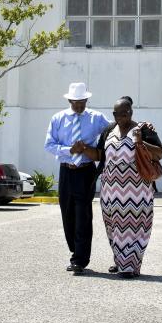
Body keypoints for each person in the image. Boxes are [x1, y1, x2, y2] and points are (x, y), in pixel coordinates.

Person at [77, 97, 162, 278]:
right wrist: (84, 148)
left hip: (138, 191)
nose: (120, 117)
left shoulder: (143, 129)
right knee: (114, 227)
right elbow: (100, 155)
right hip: (110, 191)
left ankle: (130, 267)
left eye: (124, 113)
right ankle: (120, 261)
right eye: (117, 114)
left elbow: (159, 153)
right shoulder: (109, 130)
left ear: (131, 112)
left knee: (137, 227)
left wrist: (141, 142)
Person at [44, 82, 111, 275]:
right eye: (76, 103)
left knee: (83, 214)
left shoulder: (96, 118)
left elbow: (113, 131)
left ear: (86, 100)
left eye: (83, 102)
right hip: (66, 170)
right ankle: (75, 250)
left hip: (85, 171)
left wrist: (95, 150)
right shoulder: (58, 119)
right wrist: (69, 150)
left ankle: (80, 259)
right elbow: (49, 144)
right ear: (70, 100)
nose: (80, 106)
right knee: (68, 214)